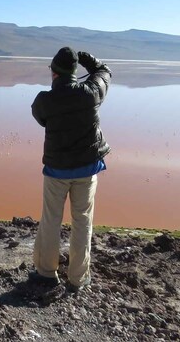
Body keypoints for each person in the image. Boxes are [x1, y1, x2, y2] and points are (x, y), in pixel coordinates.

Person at [30, 47, 111, 292]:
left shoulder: (45, 100)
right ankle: (78, 278)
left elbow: (40, 117)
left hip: (56, 171)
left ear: (54, 73)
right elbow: (105, 72)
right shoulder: (90, 94)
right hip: (87, 170)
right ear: (74, 72)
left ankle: (46, 273)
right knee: (83, 221)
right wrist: (89, 61)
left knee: (51, 220)